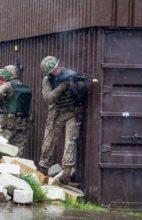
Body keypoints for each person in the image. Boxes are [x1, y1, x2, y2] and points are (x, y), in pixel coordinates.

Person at [38, 56, 87, 185]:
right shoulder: (47, 80)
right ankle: (43, 169)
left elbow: (83, 91)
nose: (57, 70)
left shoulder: (69, 74)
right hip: (56, 113)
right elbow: (49, 98)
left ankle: (66, 173)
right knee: (48, 141)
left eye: (57, 67)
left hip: (71, 112)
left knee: (70, 143)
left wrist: (75, 85)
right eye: (53, 70)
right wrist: (62, 86)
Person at [0, 67, 32, 157]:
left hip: (8, 124)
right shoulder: (23, 87)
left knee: (2, 148)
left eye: (2, 79)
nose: (0, 81)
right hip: (20, 123)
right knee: (14, 150)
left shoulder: (8, 87)